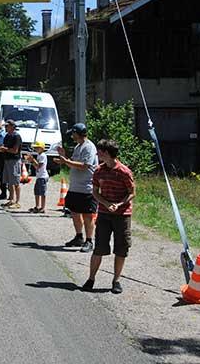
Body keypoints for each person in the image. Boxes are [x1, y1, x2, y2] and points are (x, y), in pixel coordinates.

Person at [83, 139, 135, 294]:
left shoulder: (124, 172)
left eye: (99, 151)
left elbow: (132, 193)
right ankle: (91, 278)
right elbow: (95, 193)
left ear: (106, 153)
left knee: (121, 248)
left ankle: (116, 280)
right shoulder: (99, 171)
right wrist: (106, 204)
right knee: (99, 247)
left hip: (122, 215)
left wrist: (119, 204)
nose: (97, 154)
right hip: (104, 214)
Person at [54, 123, 98, 253]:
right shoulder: (78, 146)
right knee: (74, 212)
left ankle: (89, 240)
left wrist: (66, 161)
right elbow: (74, 163)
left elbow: (85, 165)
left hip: (86, 187)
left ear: (77, 133)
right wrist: (64, 158)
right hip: (75, 187)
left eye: (73, 133)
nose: (72, 136)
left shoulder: (89, 147)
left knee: (87, 215)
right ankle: (79, 236)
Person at [0, 120, 22, 210]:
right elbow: (4, 146)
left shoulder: (16, 136)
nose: (5, 128)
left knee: (16, 181)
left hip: (14, 161)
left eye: (7, 126)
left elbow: (15, 150)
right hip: (7, 160)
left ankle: (17, 202)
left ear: (12, 126)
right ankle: (11, 199)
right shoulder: (7, 136)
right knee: (9, 182)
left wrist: (5, 149)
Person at [25, 141, 49, 213]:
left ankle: (42, 207)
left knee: (42, 192)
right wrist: (31, 161)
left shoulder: (42, 156)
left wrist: (33, 160)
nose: (35, 149)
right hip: (39, 176)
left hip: (42, 176)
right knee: (37, 192)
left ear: (41, 148)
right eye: (35, 148)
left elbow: (39, 166)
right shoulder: (39, 155)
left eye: (37, 148)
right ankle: (37, 206)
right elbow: (37, 167)